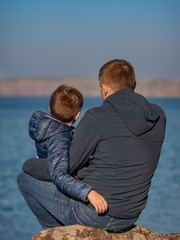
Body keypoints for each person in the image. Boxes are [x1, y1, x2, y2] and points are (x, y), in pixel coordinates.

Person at [17, 59, 166, 233]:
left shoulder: (97, 116)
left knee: (24, 179)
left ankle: (56, 233)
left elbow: (64, 167)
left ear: (103, 88)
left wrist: (30, 164)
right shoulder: (158, 116)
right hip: (130, 215)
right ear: (134, 84)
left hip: (94, 214)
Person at [23, 84, 108, 213]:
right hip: (57, 183)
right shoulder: (61, 138)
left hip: (48, 172)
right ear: (77, 115)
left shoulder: (45, 127)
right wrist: (89, 193)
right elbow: (59, 175)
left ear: (50, 109)